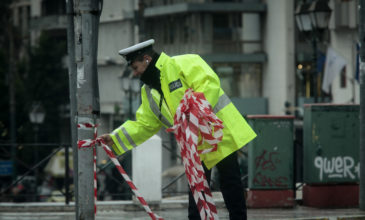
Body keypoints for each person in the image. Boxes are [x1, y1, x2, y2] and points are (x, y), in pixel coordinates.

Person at [100, 39, 257, 220]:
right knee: (196, 186)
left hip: (218, 132)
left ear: (146, 59)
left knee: (230, 182)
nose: (135, 74)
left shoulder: (184, 62)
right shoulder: (148, 92)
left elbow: (209, 84)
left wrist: (193, 114)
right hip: (194, 142)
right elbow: (145, 124)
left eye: (135, 68)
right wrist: (115, 138)